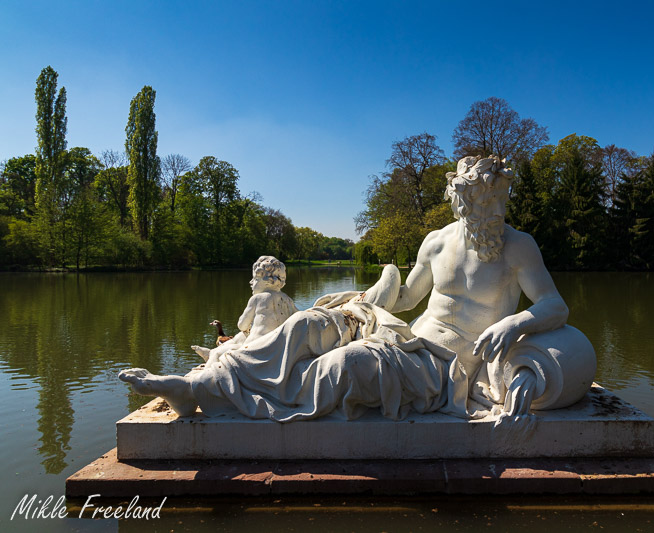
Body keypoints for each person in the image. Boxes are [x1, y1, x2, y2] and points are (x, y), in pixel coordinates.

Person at [120, 156, 595, 421]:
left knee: (343, 364)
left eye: (499, 201)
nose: (493, 211)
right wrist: (373, 292)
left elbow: (555, 306)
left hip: (447, 365)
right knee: (306, 323)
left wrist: (516, 322)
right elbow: (408, 299)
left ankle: (215, 393)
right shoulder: (436, 242)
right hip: (403, 332)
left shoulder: (518, 247)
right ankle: (200, 385)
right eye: (482, 202)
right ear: (460, 202)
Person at [192, 256, 298, 363]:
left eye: (255, 279)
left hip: (256, 346)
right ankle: (211, 352)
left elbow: (241, 325)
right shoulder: (288, 299)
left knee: (220, 353)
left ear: (267, 281)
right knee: (239, 337)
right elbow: (298, 317)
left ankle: (211, 362)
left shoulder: (257, 298)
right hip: (277, 345)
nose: (251, 282)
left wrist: (247, 326)